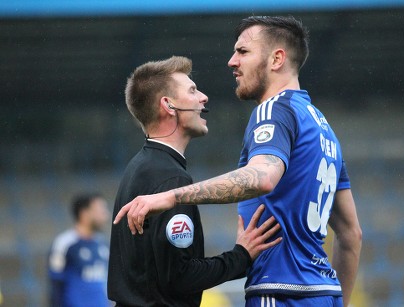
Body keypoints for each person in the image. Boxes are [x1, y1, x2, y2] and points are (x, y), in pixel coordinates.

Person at [114, 16, 363, 307]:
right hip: (324, 294)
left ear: (276, 59)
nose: (232, 61)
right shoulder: (323, 128)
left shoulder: (273, 111)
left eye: (243, 52)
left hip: (281, 291)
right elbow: (351, 234)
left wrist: (171, 196)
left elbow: (263, 177)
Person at [107, 56, 281, 306]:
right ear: (168, 105)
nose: (203, 97)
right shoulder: (171, 178)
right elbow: (181, 277)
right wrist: (241, 256)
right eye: (192, 90)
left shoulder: (138, 168)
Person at [48, 193, 111, 307]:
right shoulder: (64, 244)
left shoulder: (102, 244)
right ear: (84, 213)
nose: (105, 214)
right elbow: (55, 284)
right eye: (100, 210)